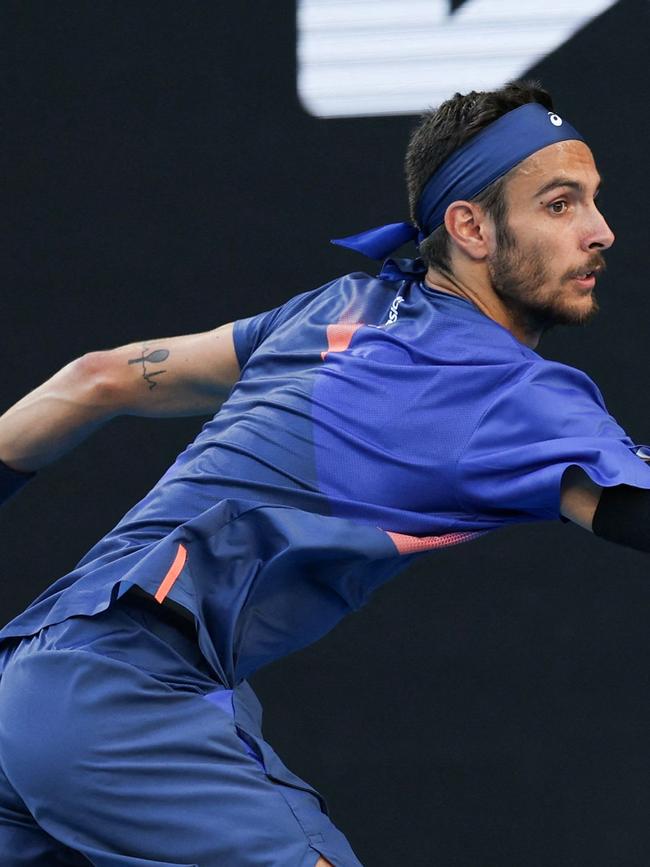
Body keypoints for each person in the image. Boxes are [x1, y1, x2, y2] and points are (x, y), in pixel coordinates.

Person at [0, 78, 649, 866]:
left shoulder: (339, 309)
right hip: (125, 700)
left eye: (594, 199)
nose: (601, 230)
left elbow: (95, 378)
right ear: (471, 227)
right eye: (560, 204)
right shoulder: (509, 390)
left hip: (26, 681)